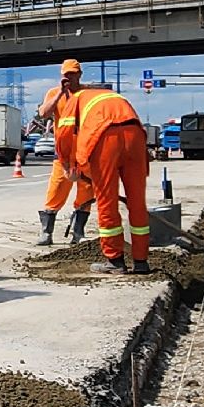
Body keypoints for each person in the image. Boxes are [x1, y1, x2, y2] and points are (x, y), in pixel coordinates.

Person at [68, 81, 151, 275]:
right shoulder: (114, 97)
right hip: (135, 135)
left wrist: (69, 164)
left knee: (107, 202)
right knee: (137, 202)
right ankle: (141, 262)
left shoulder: (77, 99)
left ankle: (114, 261)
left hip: (106, 137)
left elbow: (66, 133)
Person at [30, 59, 93, 245]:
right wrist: (60, 94)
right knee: (55, 192)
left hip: (85, 154)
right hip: (64, 156)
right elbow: (43, 113)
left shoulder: (87, 93)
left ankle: (78, 233)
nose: (69, 78)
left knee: (86, 194)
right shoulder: (54, 93)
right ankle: (46, 233)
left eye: (73, 74)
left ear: (79, 74)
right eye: (66, 75)